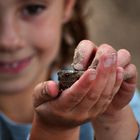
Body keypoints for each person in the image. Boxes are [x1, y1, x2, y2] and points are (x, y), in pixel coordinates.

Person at [0, 0, 139, 140]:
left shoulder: (122, 99)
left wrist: (112, 116)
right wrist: (54, 129)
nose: (7, 41)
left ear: (67, 6)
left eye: (32, 9)